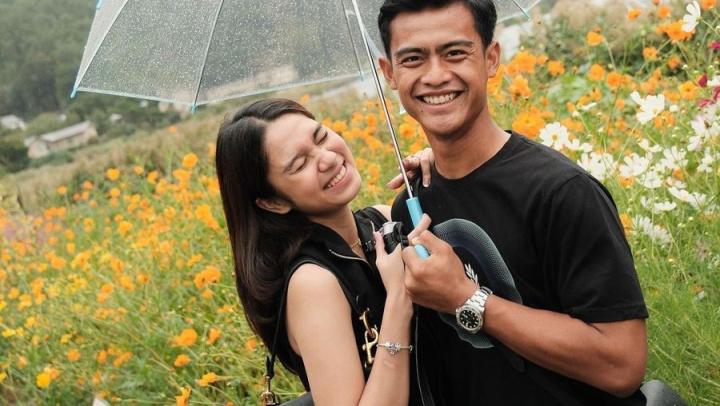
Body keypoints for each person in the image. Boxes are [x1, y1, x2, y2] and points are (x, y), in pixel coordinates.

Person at [377, 1, 649, 405]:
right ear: (389, 73)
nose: (435, 76)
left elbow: (622, 365)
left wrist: (466, 298)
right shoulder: (412, 207)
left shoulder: (562, 192)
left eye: (455, 53)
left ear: (490, 58)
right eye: (413, 59)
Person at [215, 98, 429, 405]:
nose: (327, 158)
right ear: (274, 202)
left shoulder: (382, 219)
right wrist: (399, 298)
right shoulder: (313, 283)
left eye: (321, 136)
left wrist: (438, 175)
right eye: (300, 164)